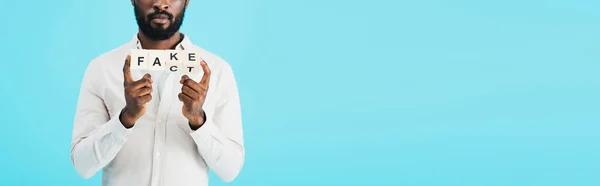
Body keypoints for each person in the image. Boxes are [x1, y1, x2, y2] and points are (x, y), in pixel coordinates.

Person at [69, 0, 245, 185]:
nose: (161, 3)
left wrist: (199, 121)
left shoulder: (217, 70)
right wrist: (125, 118)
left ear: (187, 1)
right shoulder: (102, 68)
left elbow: (230, 170)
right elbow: (83, 165)